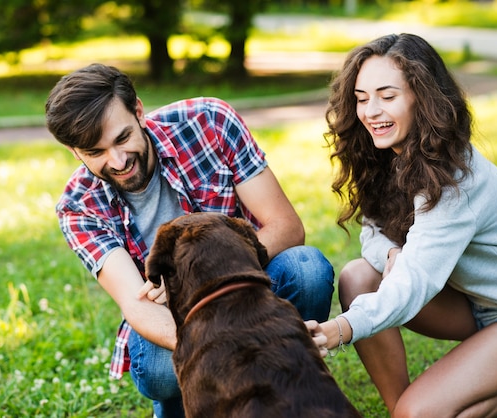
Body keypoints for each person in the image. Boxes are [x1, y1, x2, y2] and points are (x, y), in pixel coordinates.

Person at [45, 63, 335, 418]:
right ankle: (189, 399)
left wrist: (199, 282)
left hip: (250, 294)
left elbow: (287, 227)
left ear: (138, 111)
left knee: (307, 270)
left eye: (122, 139)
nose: (117, 161)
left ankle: (290, 385)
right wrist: (232, 347)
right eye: (95, 152)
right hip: (172, 323)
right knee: (154, 368)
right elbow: (136, 304)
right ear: (75, 152)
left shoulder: (209, 122)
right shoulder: (78, 207)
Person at [306, 33, 497, 417]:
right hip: (471, 303)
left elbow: (413, 285)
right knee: (358, 276)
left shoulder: (456, 180)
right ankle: (404, 408)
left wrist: (337, 329)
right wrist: (394, 252)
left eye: (387, 96)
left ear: (422, 97)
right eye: (361, 98)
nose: (371, 111)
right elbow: (371, 232)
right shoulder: (388, 154)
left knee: (420, 411)